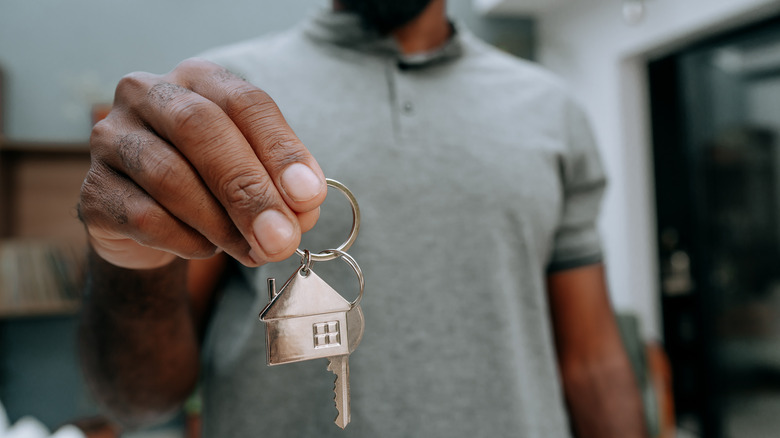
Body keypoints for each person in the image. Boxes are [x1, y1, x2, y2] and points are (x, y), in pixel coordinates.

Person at [77, 0, 648, 437]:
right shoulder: (215, 97)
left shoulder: (553, 109)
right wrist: (129, 265)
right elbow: (139, 399)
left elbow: (592, 362)